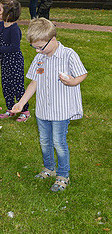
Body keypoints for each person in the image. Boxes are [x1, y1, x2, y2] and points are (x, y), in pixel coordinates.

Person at [11, 18, 87, 192]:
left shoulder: (69, 54)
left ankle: (62, 175)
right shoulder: (40, 58)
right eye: (35, 47)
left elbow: (82, 74)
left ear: (52, 40)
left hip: (61, 111)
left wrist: (73, 82)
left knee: (59, 143)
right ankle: (49, 169)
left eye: (40, 47)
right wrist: (21, 103)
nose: (38, 50)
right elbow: (34, 83)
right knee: (45, 141)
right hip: (43, 110)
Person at [0, 0, 30, 122]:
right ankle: (10, 109)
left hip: (15, 62)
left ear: (8, 14)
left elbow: (14, 47)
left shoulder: (14, 29)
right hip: (5, 61)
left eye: (0, 9)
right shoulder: (0, 25)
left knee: (17, 86)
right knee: (6, 85)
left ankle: (24, 110)